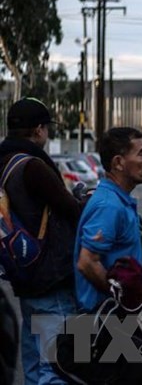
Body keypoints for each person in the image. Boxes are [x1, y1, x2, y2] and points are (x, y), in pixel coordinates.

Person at [0, 97, 81, 385]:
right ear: (38, 131)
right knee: (61, 367)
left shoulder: (3, 161)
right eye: (47, 129)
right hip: (51, 281)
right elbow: (69, 209)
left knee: (35, 366)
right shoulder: (32, 165)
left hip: (24, 277)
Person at [75, 127, 142, 311]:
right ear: (118, 162)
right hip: (106, 320)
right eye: (141, 154)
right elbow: (87, 262)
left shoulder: (117, 200)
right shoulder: (109, 206)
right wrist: (125, 298)